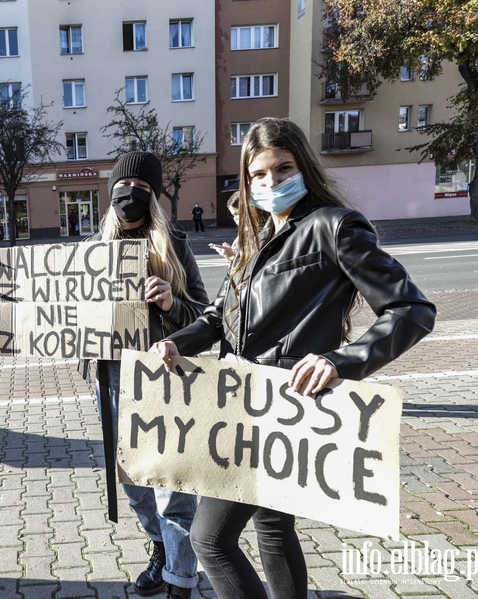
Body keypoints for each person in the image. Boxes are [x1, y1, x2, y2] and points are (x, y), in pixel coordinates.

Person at [151, 118, 436, 599]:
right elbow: (221, 317)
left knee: (210, 540)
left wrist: (342, 362)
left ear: (304, 165)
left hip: (285, 405)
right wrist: (179, 342)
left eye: (283, 169)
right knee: (272, 528)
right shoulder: (254, 238)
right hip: (241, 404)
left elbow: (412, 310)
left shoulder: (335, 225)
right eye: (258, 174)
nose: (270, 182)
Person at [89, 151, 209, 598]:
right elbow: (58, 312)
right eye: (123, 188)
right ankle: (159, 547)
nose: (130, 196)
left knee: (172, 485)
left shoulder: (174, 244)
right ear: (110, 193)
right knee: (135, 483)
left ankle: (181, 578)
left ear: (154, 196)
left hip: (165, 380)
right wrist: (16, 298)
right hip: (114, 382)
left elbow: (206, 315)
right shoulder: (91, 250)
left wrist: (170, 304)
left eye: (141, 189)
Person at [208, 192, 239, 262]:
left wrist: (232, 257)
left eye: (237, 213)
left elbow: (251, 269)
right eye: (233, 215)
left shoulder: (259, 237)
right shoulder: (242, 236)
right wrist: (228, 254)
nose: (236, 218)